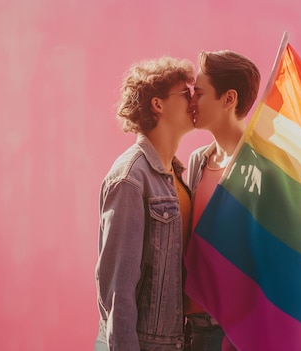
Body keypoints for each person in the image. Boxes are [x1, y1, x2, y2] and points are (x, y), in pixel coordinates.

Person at [95, 56, 196, 351]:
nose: (193, 100)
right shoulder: (130, 179)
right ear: (158, 104)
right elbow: (118, 290)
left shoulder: (176, 174)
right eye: (185, 93)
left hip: (178, 341)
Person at [184, 50, 261, 350]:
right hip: (193, 330)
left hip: (235, 332)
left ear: (229, 99)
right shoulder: (197, 162)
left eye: (199, 93)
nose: (191, 102)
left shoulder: (262, 166)